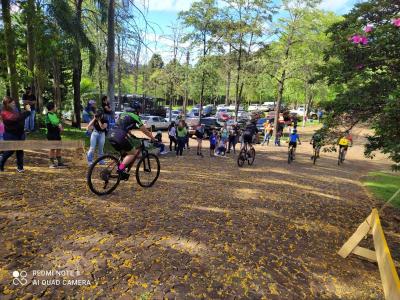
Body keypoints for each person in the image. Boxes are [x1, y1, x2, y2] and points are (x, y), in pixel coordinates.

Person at [108, 101, 155, 180]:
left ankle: (121, 169)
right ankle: (120, 169)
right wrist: (153, 138)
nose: (139, 112)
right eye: (139, 110)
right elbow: (144, 130)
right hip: (120, 136)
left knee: (125, 153)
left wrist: (132, 135)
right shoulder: (135, 116)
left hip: (111, 134)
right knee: (132, 153)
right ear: (137, 110)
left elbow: (123, 126)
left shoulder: (122, 114)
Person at [0, 96, 31, 172]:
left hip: (20, 133)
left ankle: (20, 167)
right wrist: (28, 112)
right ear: (7, 103)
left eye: (13, 102)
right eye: (12, 102)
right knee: (10, 150)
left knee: (20, 150)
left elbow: (19, 116)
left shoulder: (15, 109)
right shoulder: (4, 112)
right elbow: (16, 118)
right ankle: (1, 162)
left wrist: (25, 110)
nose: (14, 103)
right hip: (10, 134)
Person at [45, 102, 67, 168]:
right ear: (52, 108)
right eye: (55, 106)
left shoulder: (54, 114)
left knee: (59, 148)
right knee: (52, 148)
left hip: (56, 133)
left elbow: (56, 122)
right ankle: (51, 163)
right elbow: (54, 122)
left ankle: (59, 162)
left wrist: (60, 123)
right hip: (51, 134)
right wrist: (59, 124)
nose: (56, 107)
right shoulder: (48, 114)